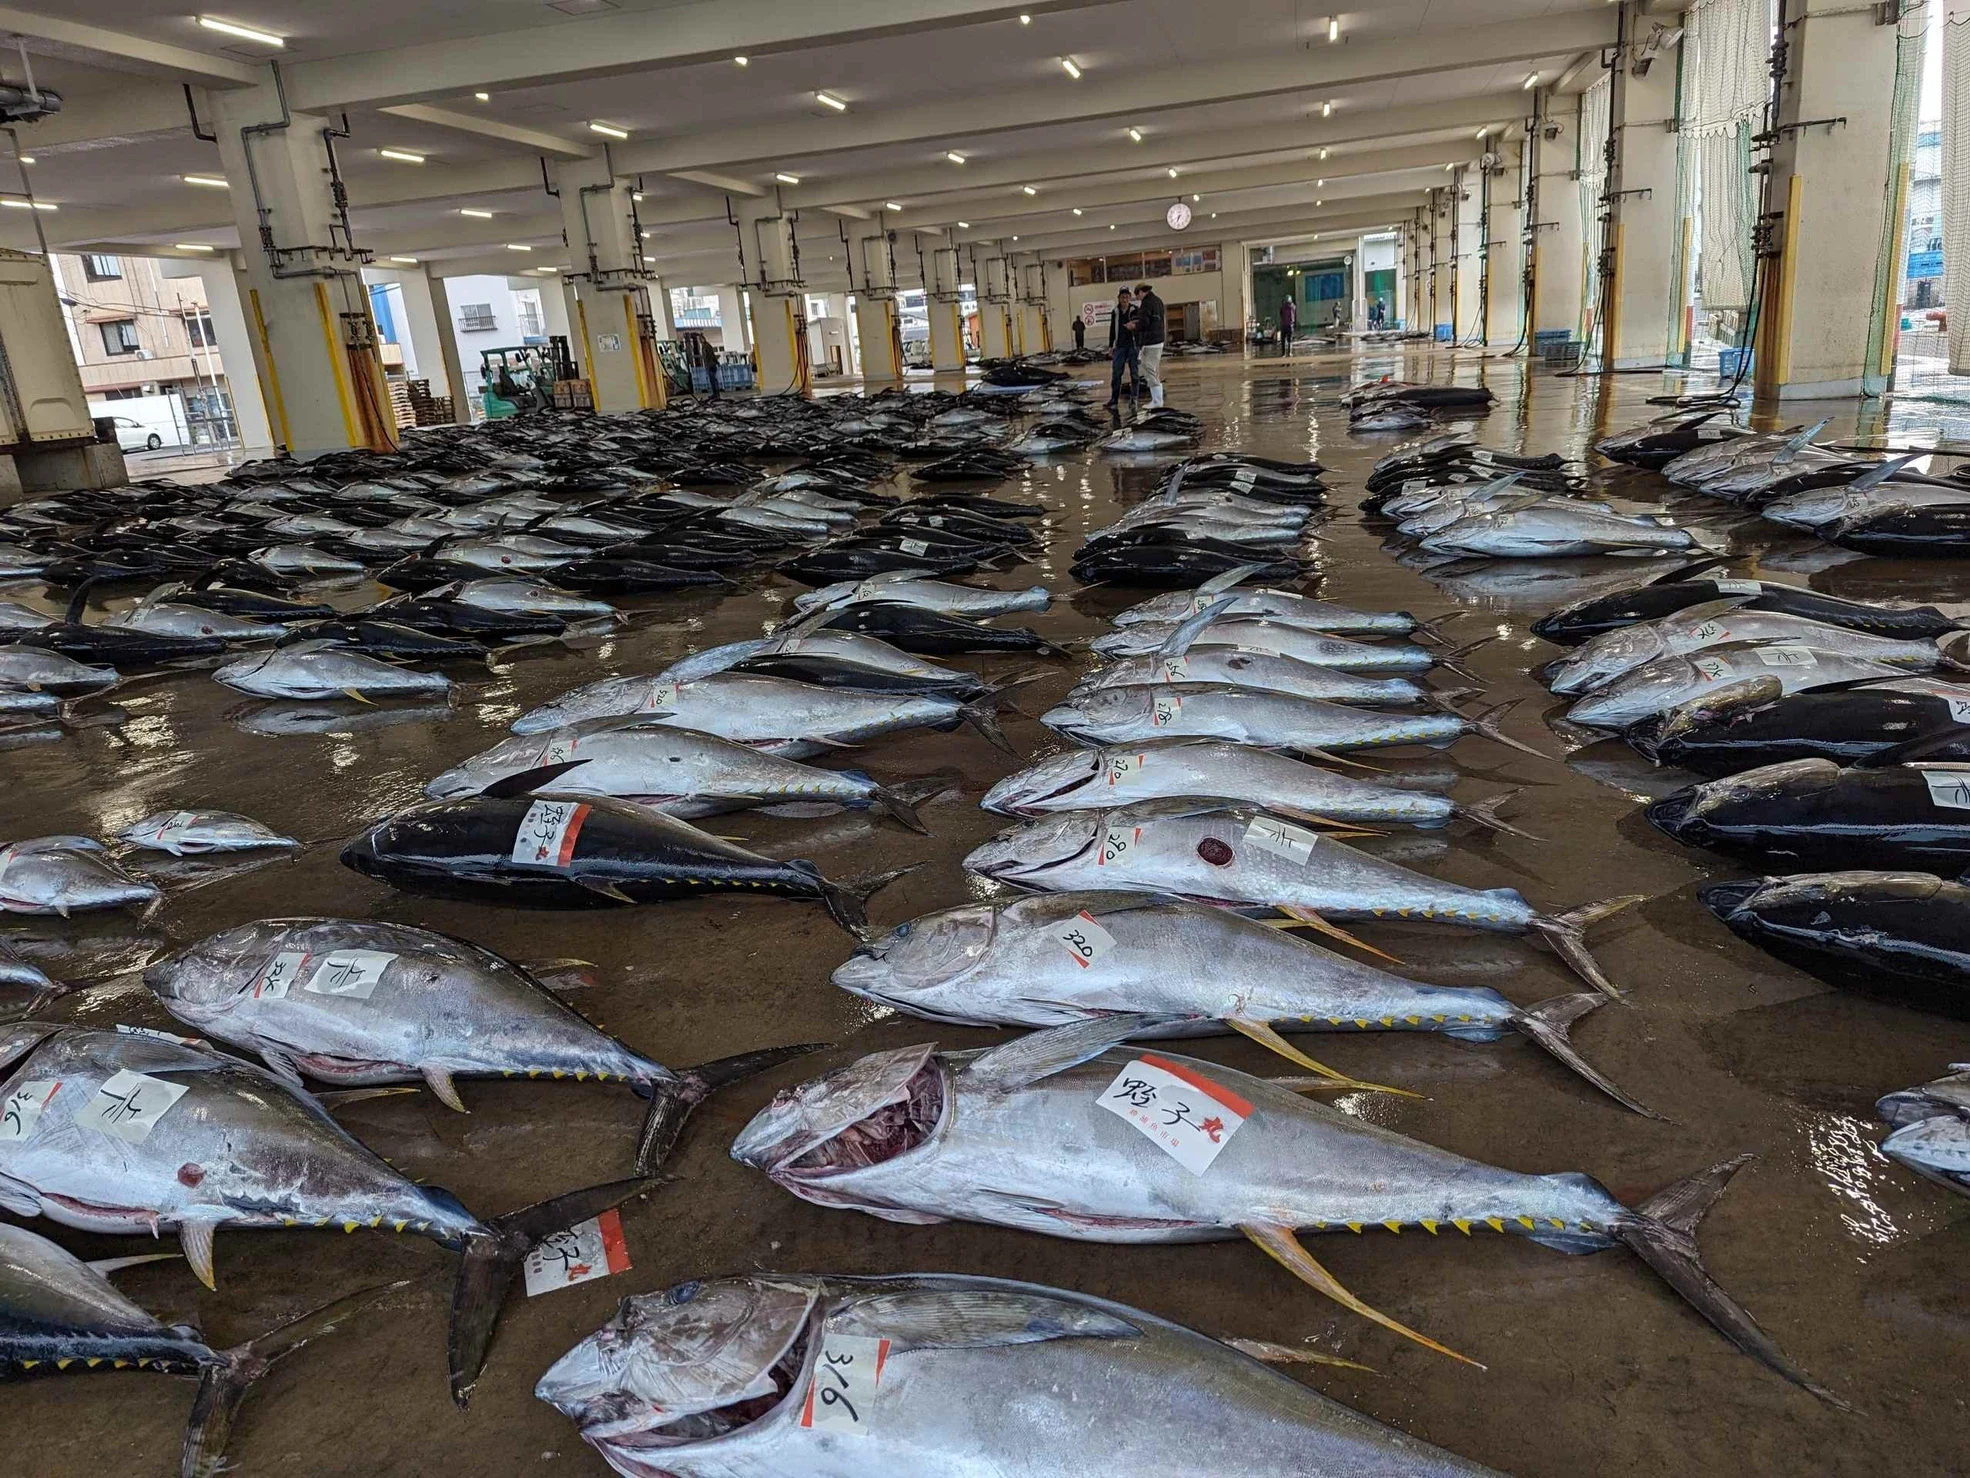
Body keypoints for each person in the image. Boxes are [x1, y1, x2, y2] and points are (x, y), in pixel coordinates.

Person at [1132, 282, 1166, 409]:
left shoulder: (1146, 303)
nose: (1138, 298)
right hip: (1159, 340)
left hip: (1151, 341)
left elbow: (1145, 323)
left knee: (1149, 368)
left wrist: (1134, 326)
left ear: (1141, 292)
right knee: (1153, 369)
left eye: (1137, 295)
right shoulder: (1158, 301)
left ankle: (1157, 401)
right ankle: (1157, 399)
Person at [1105, 287, 1138, 409]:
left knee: (1134, 374)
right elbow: (1112, 329)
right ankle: (1114, 400)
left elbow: (1141, 326)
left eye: (1127, 297)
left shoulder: (1135, 310)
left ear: (1130, 298)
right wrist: (1110, 346)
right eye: (1122, 297)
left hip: (1133, 346)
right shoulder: (1115, 312)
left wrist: (1134, 327)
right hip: (1120, 347)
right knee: (1116, 374)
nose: (1125, 299)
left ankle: (1134, 399)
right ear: (1118, 298)